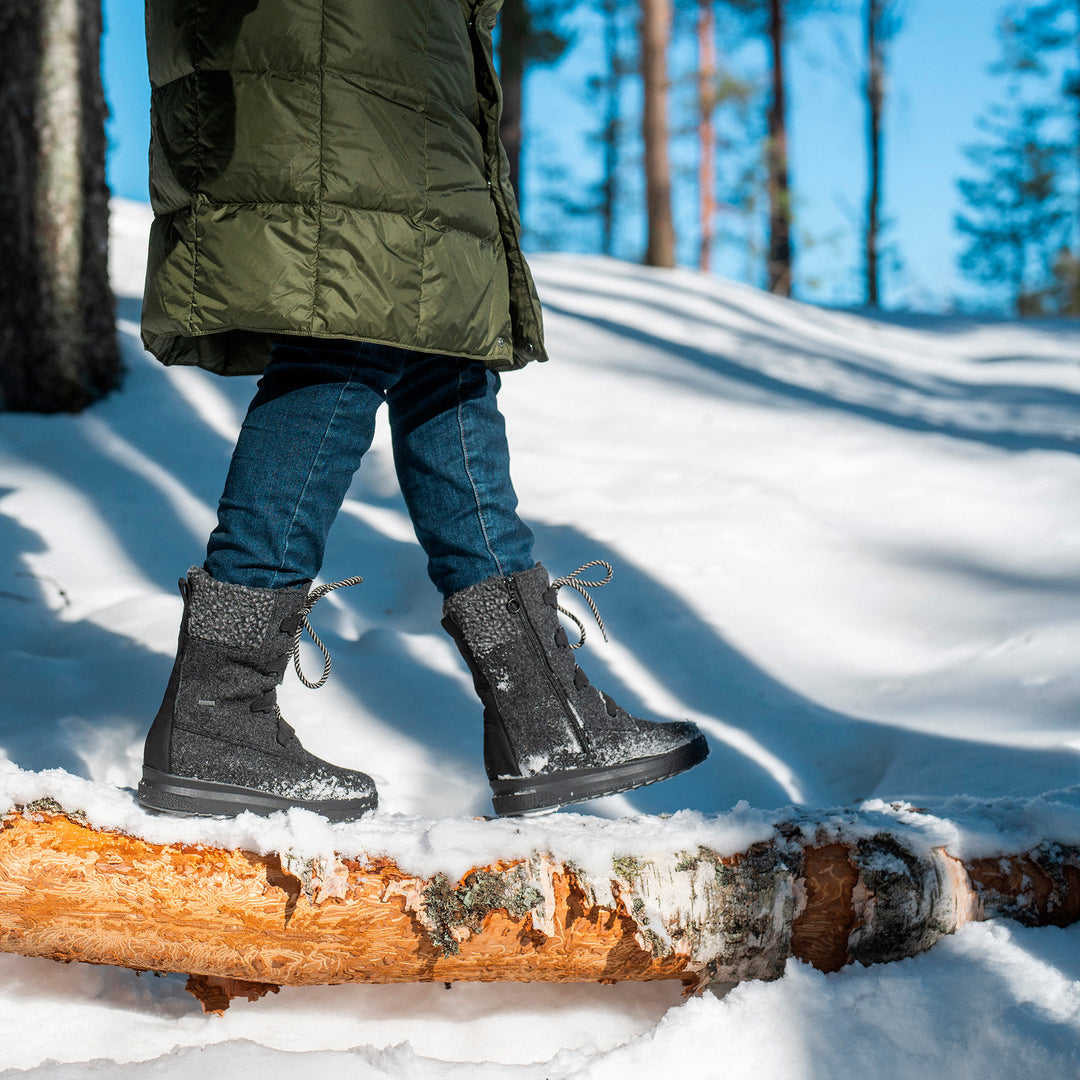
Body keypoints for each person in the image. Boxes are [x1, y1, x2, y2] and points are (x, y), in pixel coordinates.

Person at [137, 0, 708, 821]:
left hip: (403, 58)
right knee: (341, 337)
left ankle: (542, 711)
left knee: (449, 356)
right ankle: (216, 712)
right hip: (332, 52)